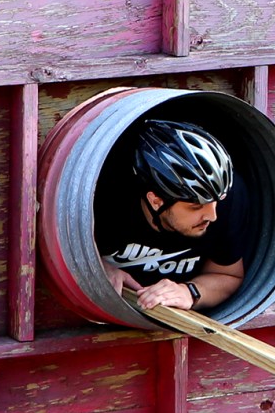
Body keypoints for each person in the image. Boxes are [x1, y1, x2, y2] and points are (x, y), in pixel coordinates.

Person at [96, 119, 247, 311]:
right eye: (195, 206)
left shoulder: (228, 199)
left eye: (217, 201)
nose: (212, 216)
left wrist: (189, 292)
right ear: (156, 200)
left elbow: (228, 275)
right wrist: (95, 267)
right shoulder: (106, 201)